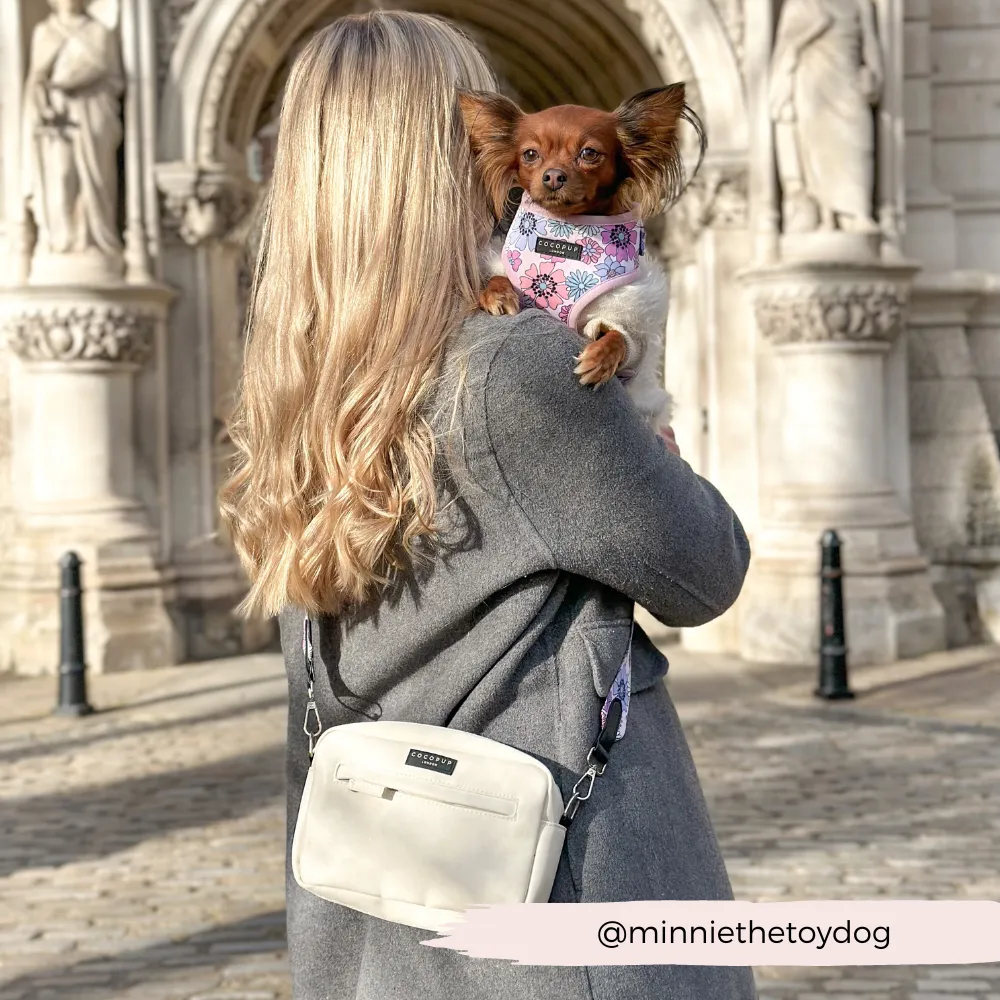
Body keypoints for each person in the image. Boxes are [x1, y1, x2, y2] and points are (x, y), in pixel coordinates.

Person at [219, 10, 756, 999]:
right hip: (561, 915)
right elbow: (703, 568)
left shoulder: (298, 381)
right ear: (451, 165)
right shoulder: (517, 367)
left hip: (370, 927)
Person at [769, 0, 883, 234]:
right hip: (812, 85)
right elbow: (786, 49)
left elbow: (870, 44)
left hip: (849, 83)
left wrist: (874, 73)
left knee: (858, 145)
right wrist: (815, 29)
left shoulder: (860, 5)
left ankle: (859, 212)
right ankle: (826, 216)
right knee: (818, 150)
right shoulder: (801, 5)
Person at [22, 0, 124, 257]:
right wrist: (43, 107)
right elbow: (36, 80)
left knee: (96, 180)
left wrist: (74, 81)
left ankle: (92, 240)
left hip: (93, 114)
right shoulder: (44, 31)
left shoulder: (99, 31)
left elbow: (113, 77)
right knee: (61, 175)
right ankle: (60, 241)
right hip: (58, 119)